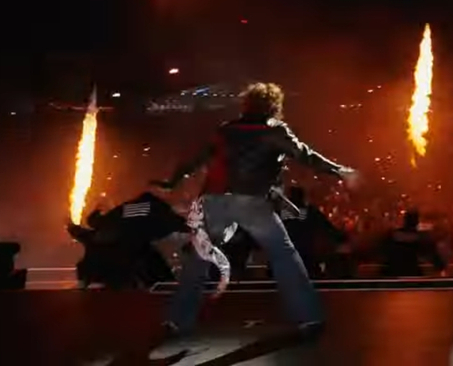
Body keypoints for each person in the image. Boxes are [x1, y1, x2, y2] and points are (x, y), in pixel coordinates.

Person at [152, 82, 359, 337]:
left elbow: (197, 158)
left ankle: (177, 319)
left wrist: (172, 181)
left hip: (215, 200)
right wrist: (339, 170)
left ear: (246, 104)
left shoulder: (225, 130)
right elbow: (305, 154)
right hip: (251, 202)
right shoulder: (274, 130)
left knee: (198, 256)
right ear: (274, 105)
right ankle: (308, 317)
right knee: (283, 254)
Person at [377, 209, 447, 277]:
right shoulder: (420, 237)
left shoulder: (393, 235)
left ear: (405, 220)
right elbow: (433, 255)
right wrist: (440, 267)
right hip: (411, 274)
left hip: (391, 274)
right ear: (416, 221)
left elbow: (381, 251)